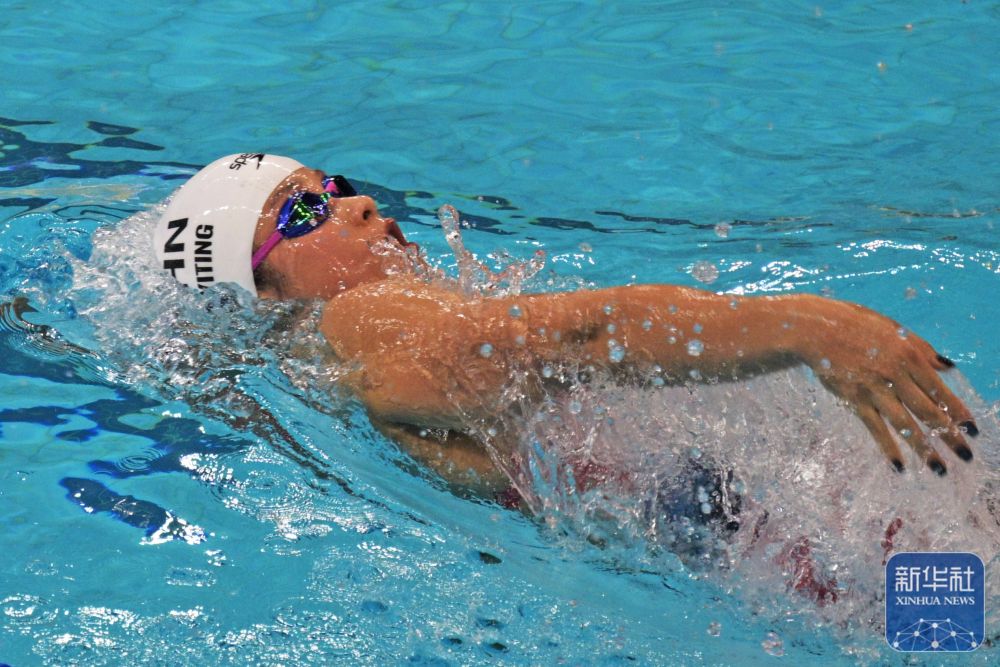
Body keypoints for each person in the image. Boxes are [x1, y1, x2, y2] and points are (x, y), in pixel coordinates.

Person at [153, 153, 978, 506]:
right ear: (257, 296)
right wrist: (812, 327)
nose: (358, 204)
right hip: (855, 555)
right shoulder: (355, 319)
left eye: (333, 187)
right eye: (303, 213)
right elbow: (574, 337)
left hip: (815, 537)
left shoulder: (338, 385)